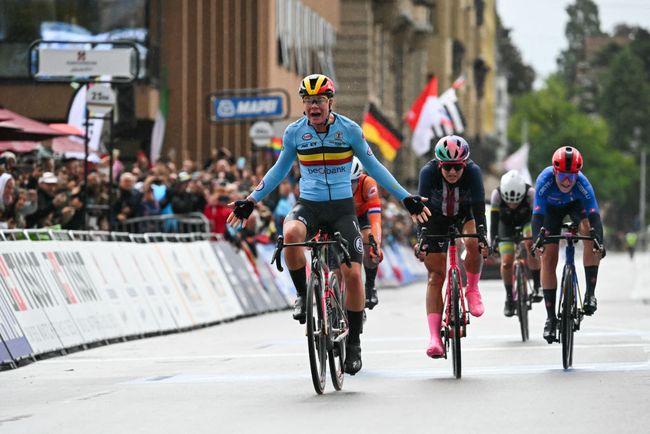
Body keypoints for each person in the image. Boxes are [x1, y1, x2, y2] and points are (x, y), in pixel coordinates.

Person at [227, 73, 430, 375]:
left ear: (330, 102)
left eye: (319, 100)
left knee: (354, 275)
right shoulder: (295, 133)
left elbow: (373, 166)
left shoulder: (349, 130)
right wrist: (251, 200)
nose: (313, 106)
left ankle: (355, 343)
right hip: (309, 205)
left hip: (341, 210)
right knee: (291, 234)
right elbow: (279, 169)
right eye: (308, 101)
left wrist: (404, 197)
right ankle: (300, 295)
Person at [416, 135, 488, 358]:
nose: (453, 172)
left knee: (474, 242)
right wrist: (422, 239)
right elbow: (421, 210)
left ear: (464, 164)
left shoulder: (474, 172)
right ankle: (435, 338)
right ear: (439, 164)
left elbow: (478, 208)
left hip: (464, 215)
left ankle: (472, 288)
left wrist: (483, 236)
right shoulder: (428, 173)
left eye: (457, 167)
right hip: (435, 218)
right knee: (435, 277)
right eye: (447, 167)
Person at [531, 146, 605, 344]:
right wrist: (537, 240)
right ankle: (550, 318)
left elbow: (594, 215)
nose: (566, 181)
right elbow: (537, 216)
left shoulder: (582, 184)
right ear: (555, 171)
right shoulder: (544, 181)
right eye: (563, 175)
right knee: (548, 257)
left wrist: (600, 241)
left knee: (589, 233)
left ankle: (590, 294)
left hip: (576, 207)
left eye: (571, 176)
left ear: (577, 174)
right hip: (550, 212)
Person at [489, 170, 542, 317]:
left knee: (531, 243)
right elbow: (494, 223)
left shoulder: (531, 193)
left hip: (527, 222)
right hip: (505, 226)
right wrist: (494, 241)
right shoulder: (496, 195)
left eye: (516, 201)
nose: (512, 205)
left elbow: (537, 219)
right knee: (506, 262)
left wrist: (537, 241)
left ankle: (537, 286)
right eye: (509, 202)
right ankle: (509, 297)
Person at [350, 157, 383, 309]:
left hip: (363, 217)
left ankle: (370, 286)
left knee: (368, 243)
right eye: (346, 183)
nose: (349, 187)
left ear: (359, 178)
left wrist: (376, 245)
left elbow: (375, 218)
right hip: (341, 215)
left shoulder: (368, 183)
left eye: (353, 182)